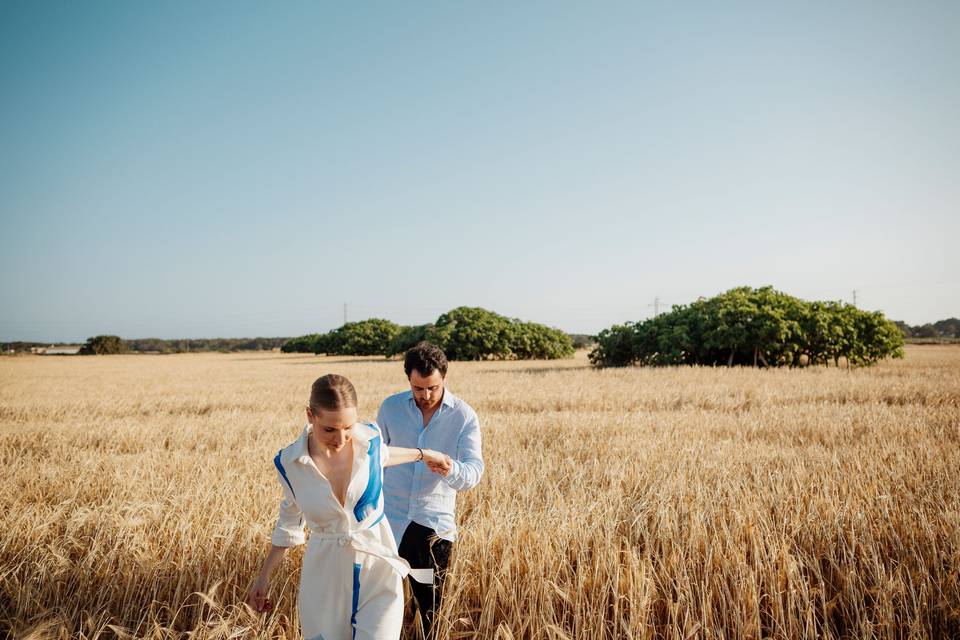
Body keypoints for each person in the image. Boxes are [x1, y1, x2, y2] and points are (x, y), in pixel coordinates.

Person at [246, 373, 452, 640]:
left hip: (377, 569)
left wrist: (426, 454)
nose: (341, 438)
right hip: (325, 577)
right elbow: (288, 524)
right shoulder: (290, 464)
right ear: (310, 416)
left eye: (348, 427)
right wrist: (263, 578)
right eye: (329, 429)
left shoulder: (371, 440)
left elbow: (386, 456)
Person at [377, 342, 484, 638]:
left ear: (444, 378)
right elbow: (374, 460)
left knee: (429, 609)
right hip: (388, 523)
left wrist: (451, 469)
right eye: (418, 388)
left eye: (432, 388)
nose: (425, 396)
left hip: (431, 529)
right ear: (409, 380)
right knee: (382, 605)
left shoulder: (463, 417)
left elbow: (474, 473)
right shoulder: (390, 408)